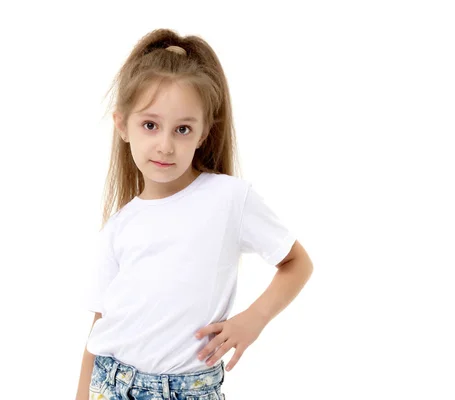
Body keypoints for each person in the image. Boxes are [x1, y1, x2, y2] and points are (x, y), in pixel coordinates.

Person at [75, 28, 314, 400]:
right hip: (111, 385)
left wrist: (253, 320)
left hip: (190, 389)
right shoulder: (119, 226)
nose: (165, 145)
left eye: (183, 129)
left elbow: (298, 262)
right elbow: (101, 325)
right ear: (122, 125)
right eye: (150, 125)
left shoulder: (227, 198)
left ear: (203, 133)